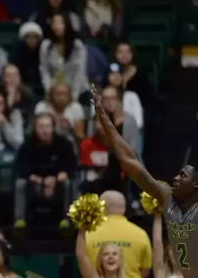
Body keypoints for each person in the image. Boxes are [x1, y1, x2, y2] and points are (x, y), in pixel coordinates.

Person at [92, 83, 198, 278]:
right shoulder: (168, 198)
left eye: (183, 176)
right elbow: (130, 161)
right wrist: (105, 120)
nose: (175, 178)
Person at [85, 191, 152, 278]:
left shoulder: (88, 234)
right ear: (124, 209)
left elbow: (82, 266)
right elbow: (145, 271)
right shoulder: (141, 234)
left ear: (101, 208)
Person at [152, 214, 183, 278]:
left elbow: (157, 243)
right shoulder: (162, 274)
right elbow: (157, 243)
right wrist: (157, 212)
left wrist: (157, 212)